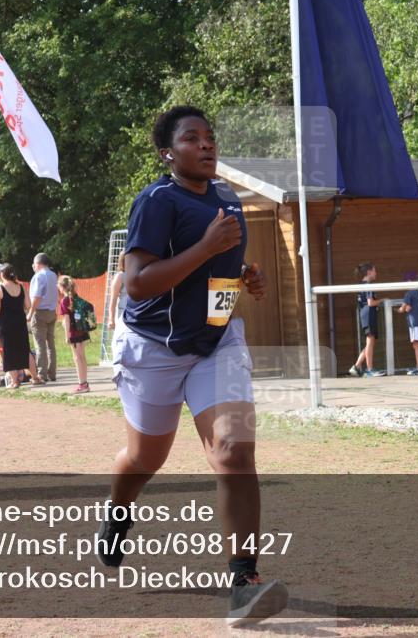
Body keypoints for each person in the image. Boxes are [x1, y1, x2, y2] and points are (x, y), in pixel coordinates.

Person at [100, 106, 286, 626]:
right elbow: (137, 282)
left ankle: (244, 582)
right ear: (168, 152)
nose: (206, 145)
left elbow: (223, 266)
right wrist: (207, 249)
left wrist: (247, 275)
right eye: (191, 138)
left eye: (210, 136)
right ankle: (117, 515)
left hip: (217, 344)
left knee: (233, 451)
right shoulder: (157, 200)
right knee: (145, 457)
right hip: (153, 348)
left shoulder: (228, 198)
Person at [0, 263, 41, 388]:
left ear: (2, 274)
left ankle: (15, 381)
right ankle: (35, 377)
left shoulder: (0, 288)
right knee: (25, 350)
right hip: (20, 322)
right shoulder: (21, 287)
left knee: (8, 351)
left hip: (5, 323)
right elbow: (28, 305)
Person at [59, 275, 95, 393]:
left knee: (77, 357)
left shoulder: (65, 300)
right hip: (82, 330)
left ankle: (82, 384)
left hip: (74, 332)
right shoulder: (76, 298)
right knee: (82, 356)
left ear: (62, 287)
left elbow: (67, 319)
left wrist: (67, 336)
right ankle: (84, 382)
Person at [349, 262, 384, 378]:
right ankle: (369, 369)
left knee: (371, 342)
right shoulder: (368, 284)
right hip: (369, 315)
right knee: (370, 342)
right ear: (369, 272)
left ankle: (357, 366)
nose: (376, 273)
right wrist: (382, 300)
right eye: (375, 270)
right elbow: (370, 302)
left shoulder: (362, 284)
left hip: (366, 315)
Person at [28, 252, 58, 382]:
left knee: (40, 344)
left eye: (34, 264)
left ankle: (41, 374)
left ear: (38, 264)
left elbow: (37, 296)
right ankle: (52, 373)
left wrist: (30, 312)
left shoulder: (38, 276)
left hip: (39, 312)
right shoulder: (53, 275)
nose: (33, 266)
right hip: (52, 311)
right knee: (51, 344)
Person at [397, 271, 418, 376]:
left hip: (415, 323)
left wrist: (400, 309)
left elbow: (404, 307)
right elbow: (410, 306)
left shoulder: (409, 293)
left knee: (416, 344)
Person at [108, 251, 128, 330]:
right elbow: (113, 301)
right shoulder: (120, 276)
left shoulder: (137, 274)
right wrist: (111, 320)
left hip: (137, 313)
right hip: (123, 313)